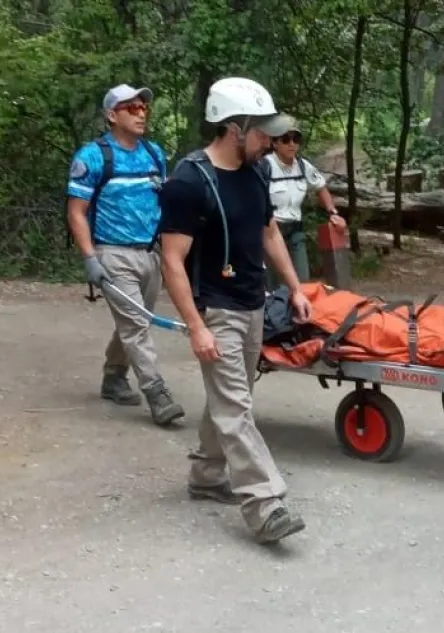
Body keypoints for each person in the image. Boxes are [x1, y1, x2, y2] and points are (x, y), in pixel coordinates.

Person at [157, 77, 311, 544]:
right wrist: (196, 326)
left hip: (253, 302)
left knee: (232, 398)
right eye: (262, 132)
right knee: (236, 406)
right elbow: (171, 260)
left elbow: (268, 235)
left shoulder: (258, 172)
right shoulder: (189, 182)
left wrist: (295, 287)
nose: (270, 141)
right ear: (234, 128)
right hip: (216, 309)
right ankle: (265, 504)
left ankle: (206, 477)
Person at [66, 83, 185, 427]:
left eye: (143, 107)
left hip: (150, 253)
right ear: (111, 115)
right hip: (112, 253)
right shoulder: (92, 156)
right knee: (135, 324)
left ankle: (114, 374)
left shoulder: (154, 153)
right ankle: (157, 393)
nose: (141, 113)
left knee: (137, 319)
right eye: (131, 108)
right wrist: (90, 258)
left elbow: (165, 199)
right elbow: (76, 212)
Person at [260, 115, 345, 289]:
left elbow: (320, 187)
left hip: (295, 230)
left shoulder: (303, 166)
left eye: (296, 139)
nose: (292, 144)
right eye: (286, 139)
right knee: (272, 283)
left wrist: (332, 213)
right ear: (274, 143)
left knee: (302, 279)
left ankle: (301, 314)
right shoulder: (264, 166)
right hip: (271, 231)